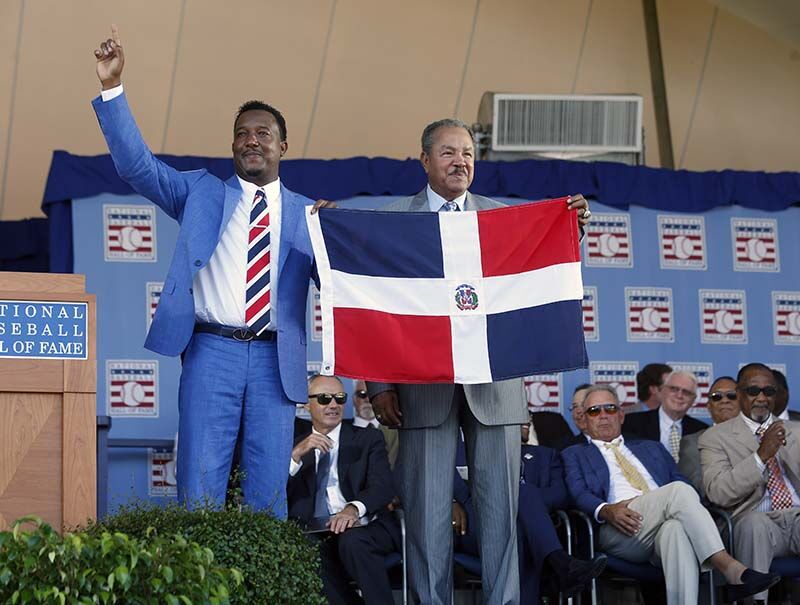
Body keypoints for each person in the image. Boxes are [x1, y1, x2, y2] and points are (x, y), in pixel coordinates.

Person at [92, 26, 332, 515]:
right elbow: (137, 167)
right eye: (242, 134)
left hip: (274, 361)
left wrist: (338, 236)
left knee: (268, 494)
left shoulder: (311, 216)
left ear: (284, 146)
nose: (251, 141)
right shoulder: (201, 192)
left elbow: (349, 282)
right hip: (211, 350)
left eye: (263, 133)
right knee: (200, 485)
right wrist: (113, 88)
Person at [367, 117, 592, 605]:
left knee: (501, 519)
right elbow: (370, 302)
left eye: (468, 153)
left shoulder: (504, 218)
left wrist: (570, 230)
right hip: (421, 391)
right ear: (424, 160)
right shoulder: (392, 222)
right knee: (428, 517)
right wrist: (379, 381)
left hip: (495, 390)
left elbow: (547, 276)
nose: (460, 161)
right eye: (448, 152)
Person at [563, 384, 779, 604]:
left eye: (609, 409)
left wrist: (662, 501)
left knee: (674, 530)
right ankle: (728, 566)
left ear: (621, 415)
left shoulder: (651, 447)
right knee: (677, 492)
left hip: (662, 519)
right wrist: (606, 510)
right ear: (585, 420)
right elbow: (577, 493)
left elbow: (681, 480)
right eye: (594, 411)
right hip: (618, 526)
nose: (602, 416)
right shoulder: (574, 454)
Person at [453, 427, 606, 602]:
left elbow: (560, 495)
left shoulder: (546, 455)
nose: (524, 420)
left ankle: (556, 564)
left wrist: (520, 500)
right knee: (523, 506)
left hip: (527, 532)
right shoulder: (462, 449)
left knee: (521, 519)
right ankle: (559, 564)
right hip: (476, 528)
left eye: (528, 415)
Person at [288, 374, 400, 604]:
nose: (333, 405)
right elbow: (274, 493)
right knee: (306, 547)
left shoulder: (367, 438)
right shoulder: (294, 443)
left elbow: (383, 486)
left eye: (339, 398)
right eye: (324, 398)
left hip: (365, 526)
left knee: (351, 541)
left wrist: (353, 509)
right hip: (314, 530)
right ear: (307, 404)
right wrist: (295, 456)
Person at [699, 363, 800, 603]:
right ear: (739, 393)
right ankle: (755, 601)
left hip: (796, 517)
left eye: (769, 391)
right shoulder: (715, 437)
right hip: (755, 521)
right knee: (754, 524)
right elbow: (719, 493)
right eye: (753, 391)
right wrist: (761, 456)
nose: (762, 398)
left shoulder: (796, 431)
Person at [623, 370, 708, 462]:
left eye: (686, 392)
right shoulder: (631, 423)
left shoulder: (702, 431)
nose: (679, 395)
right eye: (674, 389)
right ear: (662, 391)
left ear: (693, 399)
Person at [678, 376, 739, 497]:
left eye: (732, 395)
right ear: (709, 407)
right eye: (717, 396)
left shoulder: (757, 436)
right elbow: (700, 489)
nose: (724, 400)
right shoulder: (692, 442)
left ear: (743, 402)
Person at [558, 383, 592, 449]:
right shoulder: (565, 448)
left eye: (583, 405)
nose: (578, 411)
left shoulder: (616, 442)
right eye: (575, 406)